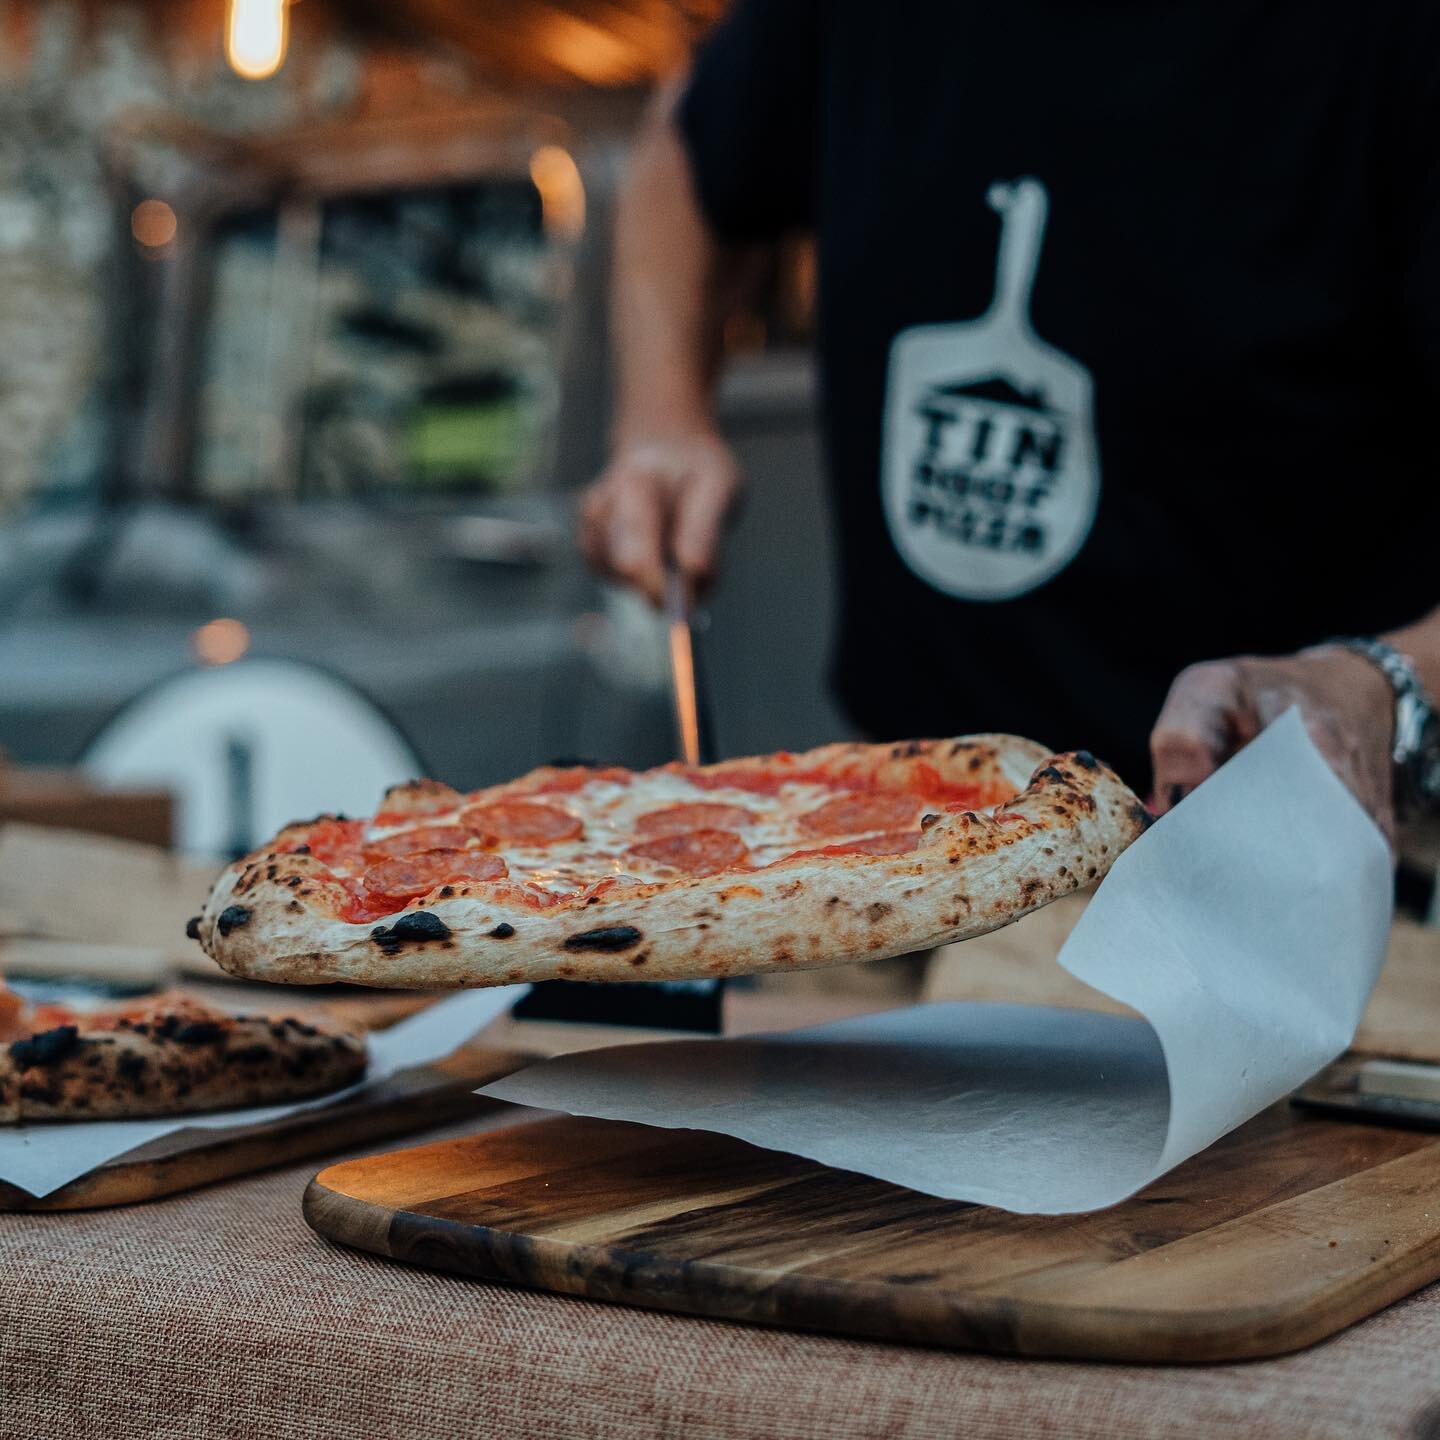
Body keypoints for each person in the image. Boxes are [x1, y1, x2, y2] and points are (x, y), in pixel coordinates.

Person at [580, 0, 1440, 845]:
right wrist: (662, 415)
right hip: (899, 824)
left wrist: (1382, 684)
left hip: (1297, 857)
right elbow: (688, 150)